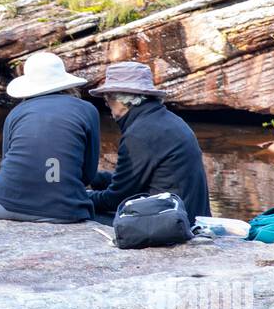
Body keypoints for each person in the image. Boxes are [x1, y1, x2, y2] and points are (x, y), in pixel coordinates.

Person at [0, 51, 100, 222]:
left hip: (8, 206)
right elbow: (88, 173)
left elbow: (9, 164)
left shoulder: (16, 113)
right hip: (66, 211)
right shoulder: (87, 110)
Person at [87, 61, 212, 220]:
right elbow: (134, 183)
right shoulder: (168, 120)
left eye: (107, 101)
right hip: (187, 215)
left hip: (171, 224)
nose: (108, 106)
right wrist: (94, 178)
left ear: (122, 100)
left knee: (78, 213)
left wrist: (81, 196)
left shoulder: (139, 134)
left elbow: (116, 199)